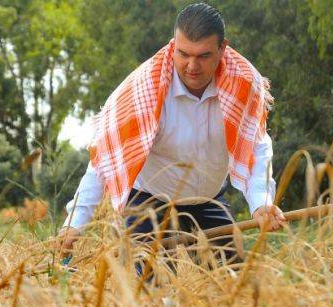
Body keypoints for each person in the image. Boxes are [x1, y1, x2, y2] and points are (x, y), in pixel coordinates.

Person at [58, 3, 285, 265]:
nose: (192, 66)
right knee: (150, 291)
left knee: (234, 285)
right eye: (184, 54)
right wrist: (75, 223)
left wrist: (261, 203)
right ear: (172, 44)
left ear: (223, 49)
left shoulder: (244, 84)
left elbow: (256, 145)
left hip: (208, 199)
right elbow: (102, 161)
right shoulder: (140, 92)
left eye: (203, 56)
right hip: (149, 203)